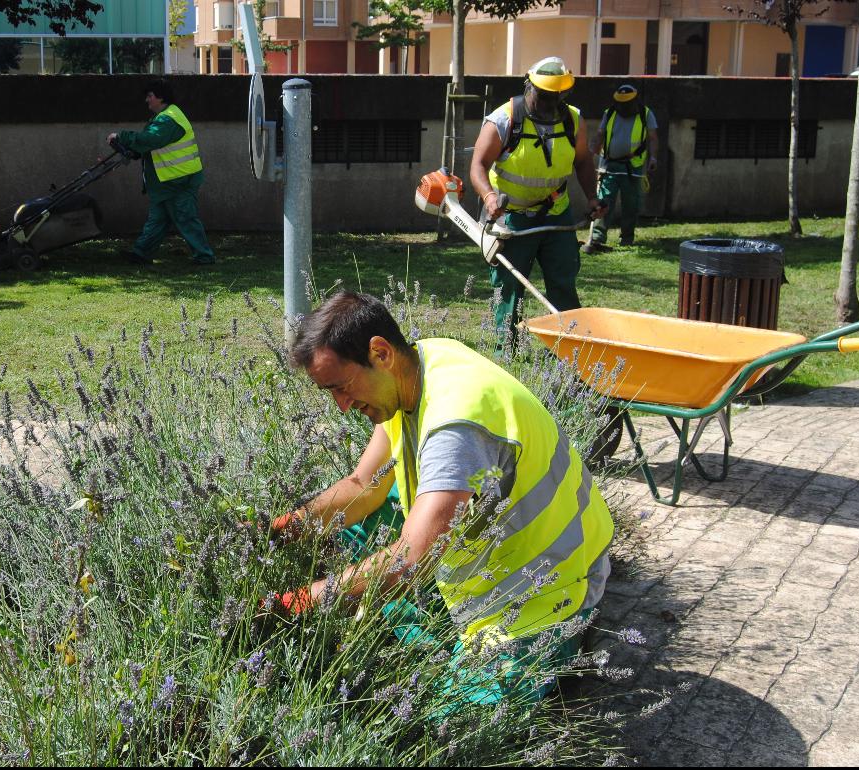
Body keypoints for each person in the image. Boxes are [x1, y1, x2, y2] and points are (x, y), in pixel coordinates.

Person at [271, 291, 614, 705]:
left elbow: (408, 562)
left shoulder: (457, 423)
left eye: (342, 387)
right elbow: (363, 485)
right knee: (365, 523)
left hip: (547, 590)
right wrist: (278, 532)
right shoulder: (417, 366)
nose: (341, 406)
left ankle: (565, 647)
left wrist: (299, 602)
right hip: (502, 562)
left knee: (450, 723)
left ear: (380, 353)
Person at [469, 57, 605, 336]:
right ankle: (506, 349)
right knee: (509, 288)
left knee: (563, 282)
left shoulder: (573, 121)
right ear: (529, 87)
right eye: (544, 95)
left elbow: (583, 162)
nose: (550, 103)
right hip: (512, 220)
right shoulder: (504, 120)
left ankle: (570, 347)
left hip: (556, 215)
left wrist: (592, 197)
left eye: (557, 97)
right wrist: (489, 198)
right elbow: (478, 165)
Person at [107, 79, 215, 266]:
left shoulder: (168, 119)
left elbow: (150, 139)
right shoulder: (164, 117)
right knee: (157, 220)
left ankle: (204, 257)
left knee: (185, 218)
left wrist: (121, 136)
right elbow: (148, 145)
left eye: (150, 96)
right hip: (169, 180)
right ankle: (141, 253)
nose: (147, 100)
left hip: (179, 180)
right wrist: (129, 149)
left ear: (161, 97)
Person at [583, 84, 659, 254]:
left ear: (635, 101)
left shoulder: (645, 114)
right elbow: (600, 135)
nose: (623, 107)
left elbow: (653, 138)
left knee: (631, 205)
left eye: (627, 103)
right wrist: (590, 153)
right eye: (620, 103)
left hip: (633, 167)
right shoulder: (609, 113)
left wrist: (653, 158)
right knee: (603, 201)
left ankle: (626, 239)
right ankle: (596, 239)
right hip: (609, 166)